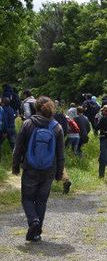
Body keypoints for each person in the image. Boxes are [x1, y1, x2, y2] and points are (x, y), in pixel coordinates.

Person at [11, 96, 65, 242]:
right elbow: (60, 154)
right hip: (49, 169)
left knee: (27, 199)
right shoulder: (57, 127)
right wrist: (59, 173)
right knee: (41, 201)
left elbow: (18, 148)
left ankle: (33, 221)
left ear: (36, 108)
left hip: (30, 168)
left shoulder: (28, 124)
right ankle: (36, 233)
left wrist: (15, 166)